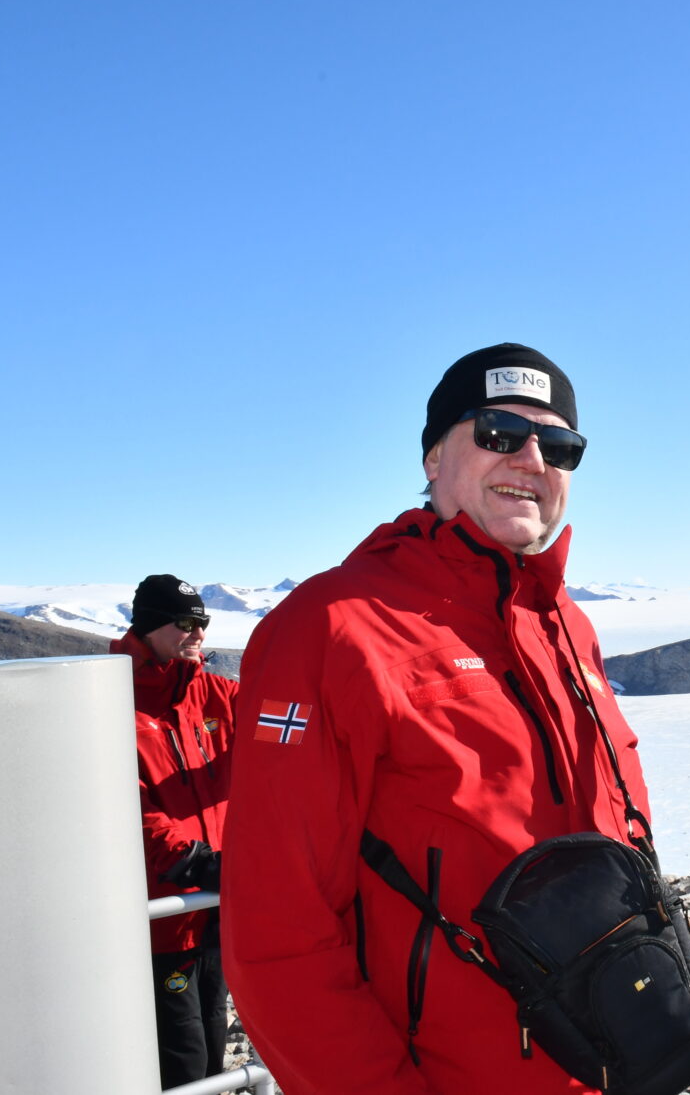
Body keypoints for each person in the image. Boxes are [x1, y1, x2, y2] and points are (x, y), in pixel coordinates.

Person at [223, 344, 656, 1094]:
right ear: (432, 457)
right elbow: (278, 932)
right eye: (497, 433)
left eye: (559, 446)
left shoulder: (565, 626)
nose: (531, 459)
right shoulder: (330, 628)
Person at [110, 574, 237, 1089]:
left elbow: (283, 724)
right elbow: (121, 805)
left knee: (213, 1032)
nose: (198, 633)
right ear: (149, 627)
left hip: (216, 902)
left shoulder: (213, 693)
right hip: (164, 910)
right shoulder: (110, 699)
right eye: (185, 623)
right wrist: (191, 860)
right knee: (181, 1051)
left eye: (203, 622)